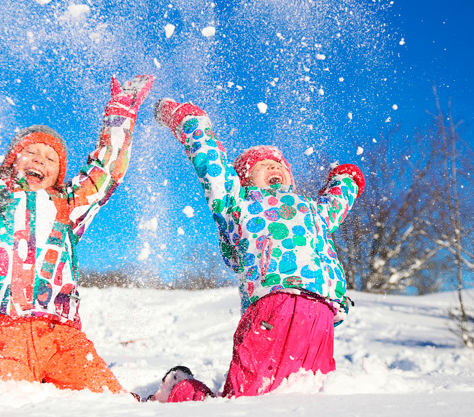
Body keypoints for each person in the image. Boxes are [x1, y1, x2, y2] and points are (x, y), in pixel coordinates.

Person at [0, 57, 154, 393]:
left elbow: (106, 172)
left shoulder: (68, 206)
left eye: (51, 158)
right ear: (12, 161)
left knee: (110, 402)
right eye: (31, 153)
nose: (40, 160)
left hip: (62, 336)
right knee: (8, 406)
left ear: (59, 174)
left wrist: (119, 115)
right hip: (2, 331)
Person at [152, 97, 365, 400]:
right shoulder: (238, 205)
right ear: (244, 179)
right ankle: (180, 392)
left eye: (279, 165)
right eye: (263, 165)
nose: (274, 167)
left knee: (311, 396)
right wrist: (189, 121)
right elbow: (212, 164)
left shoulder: (312, 212)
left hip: (320, 315)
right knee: (245, 400)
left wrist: (346, 180)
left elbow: (335, 205)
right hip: (271, 306)